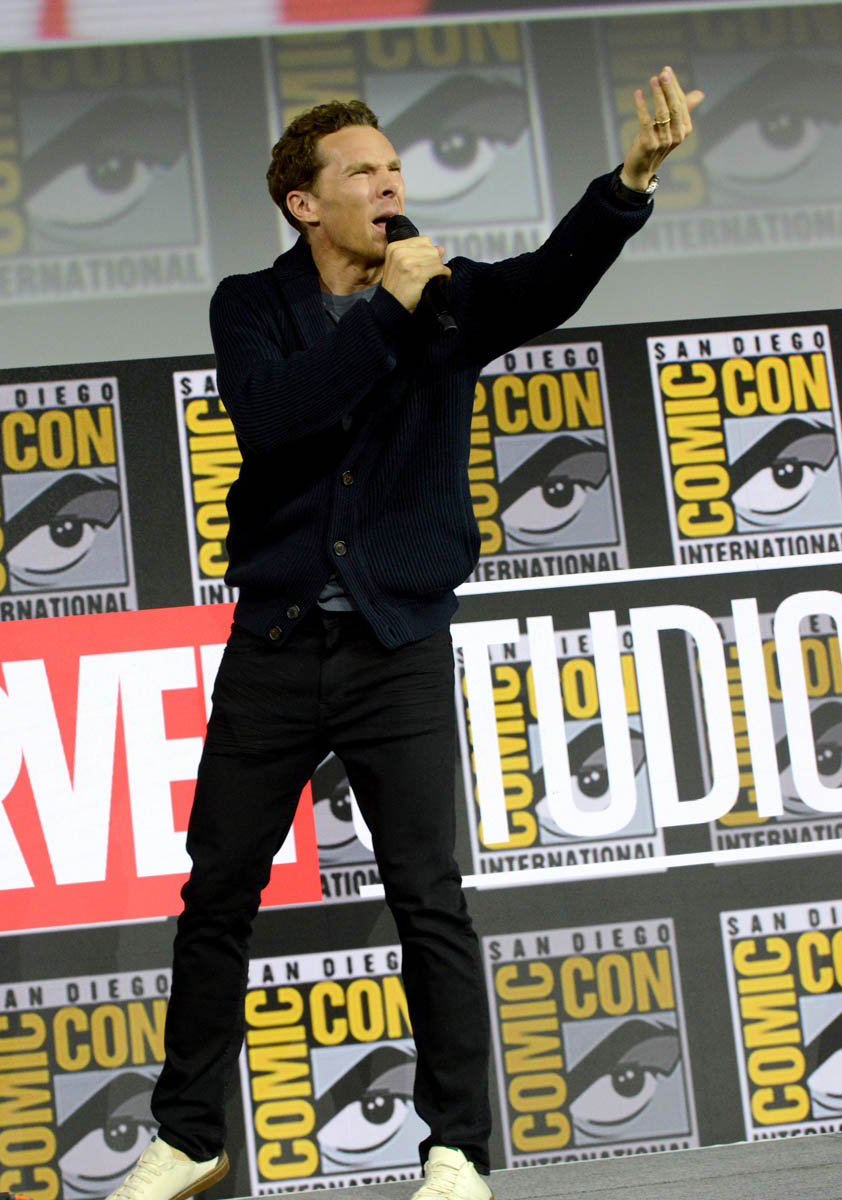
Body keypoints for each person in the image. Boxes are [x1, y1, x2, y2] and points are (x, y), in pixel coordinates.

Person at [108, 67, 703, 1200]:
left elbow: (549, 282)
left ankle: (457, 1151)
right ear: (305, 203)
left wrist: (629, 180)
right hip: (277, 644)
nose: (390, 185)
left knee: (429, 899)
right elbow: (277, 418)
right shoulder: (253, 305)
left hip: (398, 647)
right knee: (216, 893)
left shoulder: (450, 295)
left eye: (394, 168)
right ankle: (187, 1136)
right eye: (363, 172)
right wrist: (388, 308)